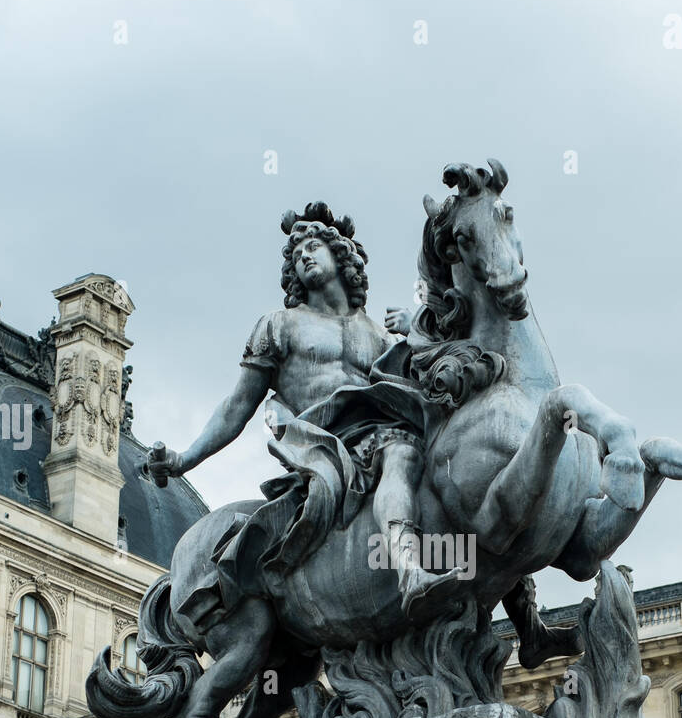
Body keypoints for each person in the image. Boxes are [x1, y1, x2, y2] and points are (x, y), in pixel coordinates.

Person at [147, 202, 464, 621]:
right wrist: (185, 459)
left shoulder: (379, 334)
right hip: (320, 441)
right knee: (401, 451)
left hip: (374, 433)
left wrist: (418, 332)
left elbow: (431, 380)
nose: (305, 257)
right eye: (297, 256)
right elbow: (237, 406)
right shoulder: (280, 325)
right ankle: (408, 571)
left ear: (341, 255)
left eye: (313, 247)